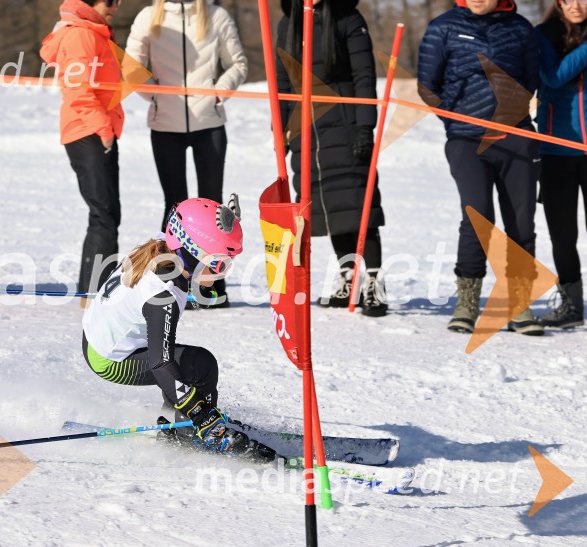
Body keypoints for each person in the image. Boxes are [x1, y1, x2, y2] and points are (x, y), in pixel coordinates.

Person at [81, 196, 268, 457]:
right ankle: (193, 432)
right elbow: (160, 363)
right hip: (110, 360)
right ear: (195, 254)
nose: (221, 273)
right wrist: (200, 412)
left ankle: (175, 419)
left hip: (96, 338)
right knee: (200, 365)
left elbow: (192, 229)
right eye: (219, 264)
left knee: (186, 364)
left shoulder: (162, 246)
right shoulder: (164, 295)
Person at [418, 0, 544, 335]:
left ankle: (518, 302)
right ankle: (468, 302)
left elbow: (530, 80)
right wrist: (456, 121)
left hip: (515, 137)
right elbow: (427, 86)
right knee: (478, 216)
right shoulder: (442, 28)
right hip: (466, 140)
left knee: (521, 219)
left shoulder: (520, 29)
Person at [125, 0, 248, 308]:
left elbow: (238, 63)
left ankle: (212, 286)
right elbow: (131, 66)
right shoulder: (148, 17)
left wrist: (218, 93)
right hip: (165, 124)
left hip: (209, 123)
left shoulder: (216, 15)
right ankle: (170, 282)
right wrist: (154, 94)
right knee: (175, 205)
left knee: (214, 206)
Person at [276, 0, 387, 317]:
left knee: (358, 203)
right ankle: (349, 277)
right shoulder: (290, 21)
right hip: (306, 124)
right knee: (328, 206)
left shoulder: (347, 17)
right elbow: (283, 81)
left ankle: (374, 284)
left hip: (345, 118)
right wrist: (281, 130)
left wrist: (365, 126)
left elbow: (364, 74)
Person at [40, 0, 124, 298]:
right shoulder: (81, 35)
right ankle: (93, 295)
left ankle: (98, 290)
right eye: (111, 1)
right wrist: (102, 128)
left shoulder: (94, 32)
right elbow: (77, 89)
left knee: (108, 213)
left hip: (96, 129)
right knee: (104, 214)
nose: (117, 6)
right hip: (88, 131)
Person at [535, 0, 587, 328]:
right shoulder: (543, 35)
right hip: (557, 148)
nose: (577, 5)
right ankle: (571, 305)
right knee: (562, 234)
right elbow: (553, 77)